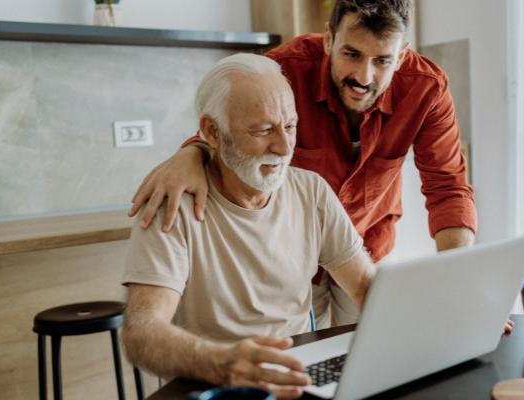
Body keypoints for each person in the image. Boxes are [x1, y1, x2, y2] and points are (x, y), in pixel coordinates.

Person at [128, 0, 510, 332]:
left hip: (367, 246)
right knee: (305, 358)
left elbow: (448, 189)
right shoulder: (281, 71)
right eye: (351, 54)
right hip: (290, 254)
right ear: (328, 39)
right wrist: (192, 151)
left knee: (372, 353)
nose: (364, 77)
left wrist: (460, 288)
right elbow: (227, 131)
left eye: (382, 60)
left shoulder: (427, 88)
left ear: (403, 54)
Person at [121, 53, 377, 400]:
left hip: (298, 379)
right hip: (214, 385)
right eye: (264, 129)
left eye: (290, 126)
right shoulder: (172, 204)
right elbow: (141, 333)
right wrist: (221, 362)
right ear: (213, 131)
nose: (285, 147)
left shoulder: (311, 189)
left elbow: (365, 286)